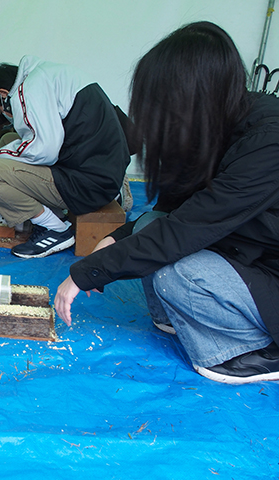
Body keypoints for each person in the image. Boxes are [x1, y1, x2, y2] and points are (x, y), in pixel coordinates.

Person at [55, 22, 279, 385]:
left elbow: (190, 226)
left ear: (194, 95)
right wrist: (117, 238)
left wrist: (89, 271)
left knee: (183, 276)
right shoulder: (219, 123)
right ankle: (181, 318)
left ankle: (251, 350)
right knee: (145, 227)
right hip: (248, 251)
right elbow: (173, 211)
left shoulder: (267, 143)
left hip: (270, 271)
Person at [0, 56, 131, 259]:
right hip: (101, 172)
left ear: (3, 94)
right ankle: (53, 213)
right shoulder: (48, 75)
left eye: (2, 112)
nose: (7, 116)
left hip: (87, 185)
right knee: (8, 140)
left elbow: (44, 151)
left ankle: (56, 230)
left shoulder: (27, 90)